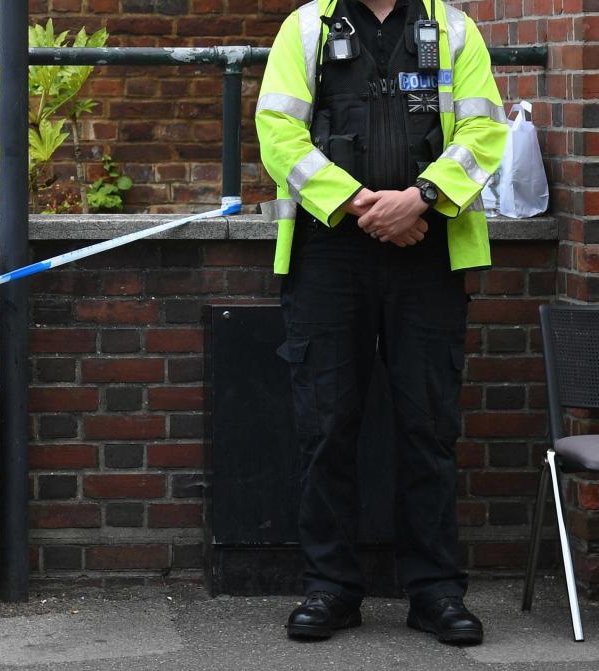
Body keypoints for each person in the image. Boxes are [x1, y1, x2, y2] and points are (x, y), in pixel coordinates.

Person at [255, 0, 507, 645]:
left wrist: (419, 197)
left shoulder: (453, 28)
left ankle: (435, 592)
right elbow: (277, 132)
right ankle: (330, 589)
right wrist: (358, 202)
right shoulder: (307, 26)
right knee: (326, 423)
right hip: (329, 248)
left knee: (428, 424)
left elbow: (485, 134)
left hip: (430, 246)